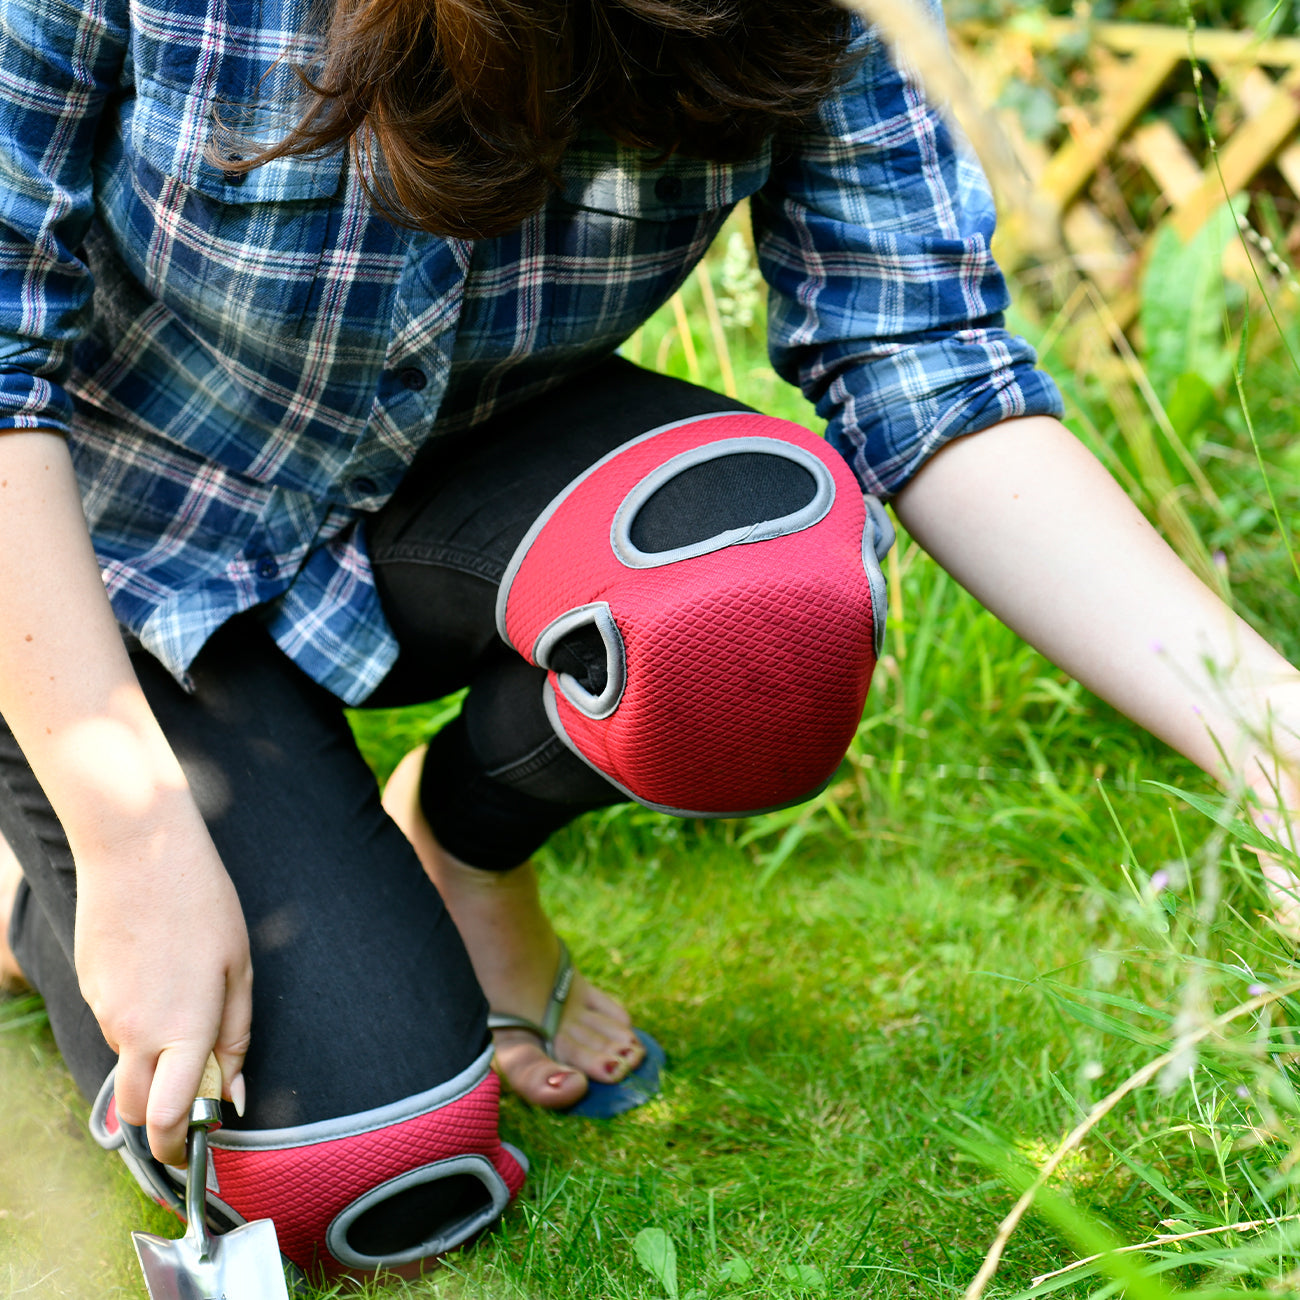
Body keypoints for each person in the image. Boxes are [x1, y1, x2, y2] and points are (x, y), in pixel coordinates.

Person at [3, 0, 1299, 1280]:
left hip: (461, 500)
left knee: (760, 603)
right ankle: (36, 850)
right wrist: (132, 834)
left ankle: (461, 847)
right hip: (102, 556)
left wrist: (1272, 735)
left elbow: (930, 362)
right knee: (360, 1172)